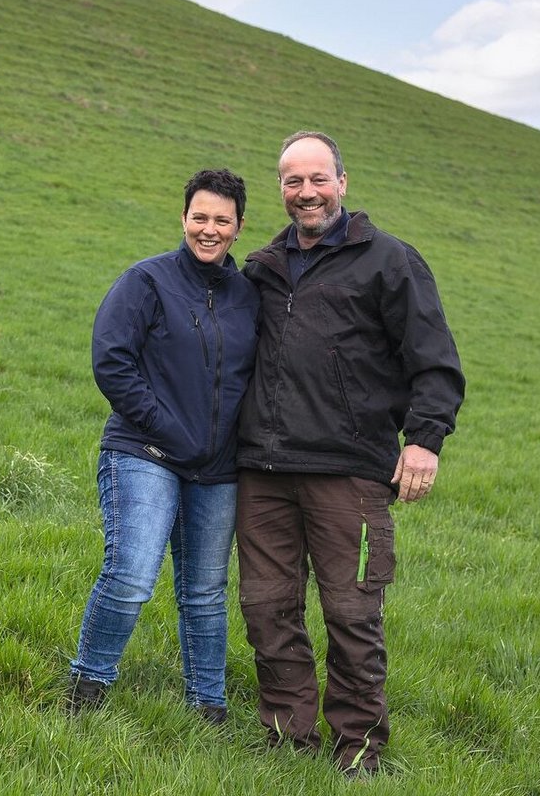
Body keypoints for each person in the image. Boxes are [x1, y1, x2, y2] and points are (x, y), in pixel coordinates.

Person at [235, 131, 465, 776]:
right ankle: (287, 741)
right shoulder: (261, 266)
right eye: (291, 181)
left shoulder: (389, 262)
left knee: (351, 611)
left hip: (350, 471)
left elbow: (435, 362)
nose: (305, 192)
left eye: (317, 179)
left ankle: (359, 752)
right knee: (266, 607)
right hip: (263, 470)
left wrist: (424, 440)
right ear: (280, 188)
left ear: (342, 181)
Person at [67, 169, 260, 723]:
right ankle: (88, 687)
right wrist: (167, 427)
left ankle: (208, 705)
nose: (209, 229)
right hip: (144, 452)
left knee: (205, 590)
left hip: (218, 467)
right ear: (183, 219)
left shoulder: (249, 297)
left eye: (222, 220)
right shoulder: (146, 281)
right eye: (199, 216)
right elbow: (112, 360)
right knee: (130, 574)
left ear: (239, 227)